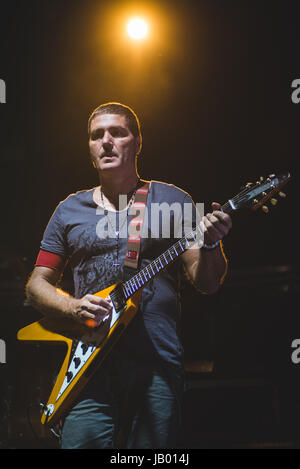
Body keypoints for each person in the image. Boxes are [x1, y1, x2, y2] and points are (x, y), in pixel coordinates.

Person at [25, 102, 232, 449]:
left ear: (137, 143)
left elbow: (206, 282)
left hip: (157, 364)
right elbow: (36, 286)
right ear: (90, 149)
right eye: (96, 135)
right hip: (89, 367)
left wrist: (212, 245)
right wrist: (74, 307)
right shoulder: (68, 209)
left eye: (117, 132)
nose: (106, 141)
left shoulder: (173, 200)